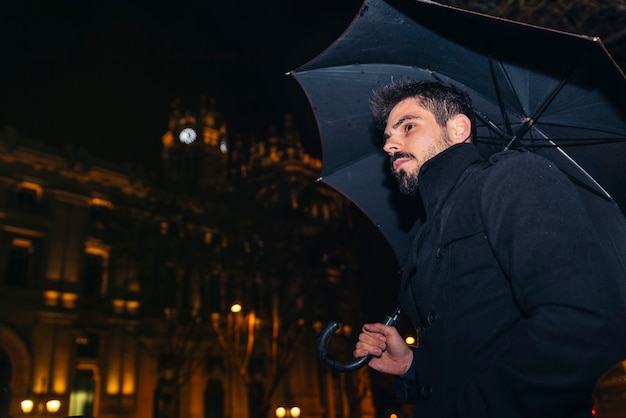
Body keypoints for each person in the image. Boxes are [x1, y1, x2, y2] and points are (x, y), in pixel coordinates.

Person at [353, 79, 626, 417]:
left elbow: (583, 322)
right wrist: (412, 365)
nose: (390, 144)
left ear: (458, 128)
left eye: (407, 126)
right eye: (387, 137)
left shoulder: (512, 178)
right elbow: (473, 345)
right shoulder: (424, 231)